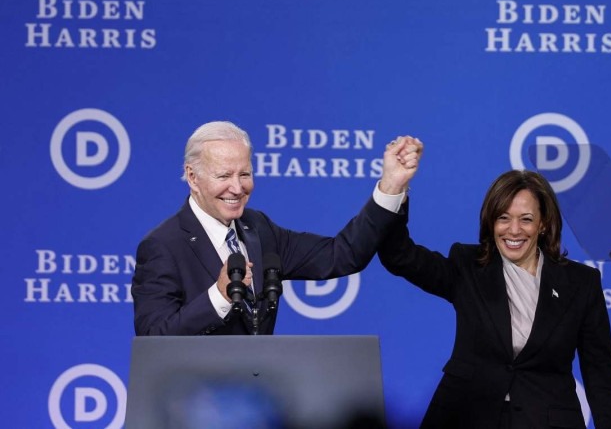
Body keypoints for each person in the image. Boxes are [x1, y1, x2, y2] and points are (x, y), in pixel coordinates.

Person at [377, 167, 611, 428]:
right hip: (467, 416)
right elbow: (400, 256)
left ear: (543, 223)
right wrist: (395, 189)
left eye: (526, 219)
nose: (514, 230)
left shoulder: (581, 283)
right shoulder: (468, 266)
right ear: (491, 222)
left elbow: (601, 375)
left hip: (546, 420)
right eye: (503, 218)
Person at [132, 120, 421, 336]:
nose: (237, 187)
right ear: (192, 177)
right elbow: (153, 337)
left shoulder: (259, 228)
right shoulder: (164, 245)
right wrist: (218, 296)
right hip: (195, 405)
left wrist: (391, 186)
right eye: (224, 175)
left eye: (245, 173)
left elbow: (341, 254)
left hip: (258, 399)